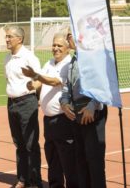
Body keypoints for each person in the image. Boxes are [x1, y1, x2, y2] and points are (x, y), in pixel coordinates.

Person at [22, 32, 78, 188]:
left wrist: (37, 77)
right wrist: (33, 85)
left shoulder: (69, 63)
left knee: (68, 159)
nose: (55, 48)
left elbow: (54, 82)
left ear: (67, 48)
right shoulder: (49, 63)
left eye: (59, 45)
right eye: (54, 45)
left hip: (63, 120)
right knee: (52, 158)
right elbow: (42, 80)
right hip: (48, 119)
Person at [59, 30, 108, 188]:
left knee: (94, 162)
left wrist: (92, 106)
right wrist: (64, 103)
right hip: (76, 115)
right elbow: (67, 88)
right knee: (80, 161)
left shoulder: (93, 57)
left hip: (93, 113)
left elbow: (103, 84)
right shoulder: (73, 60)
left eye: (69, 35)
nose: (67, 39)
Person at [3, 25, 42, 188]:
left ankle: (35, 181)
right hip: (11, 104)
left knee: (31, 144)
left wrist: (35, 90)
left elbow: (40, 79)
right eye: (6, 36)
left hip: (26, 102)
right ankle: (22, 179)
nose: (6, 39)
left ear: (19, 39)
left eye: (10, 36)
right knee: (18, 143)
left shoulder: (29, 57)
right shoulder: (7, 58)